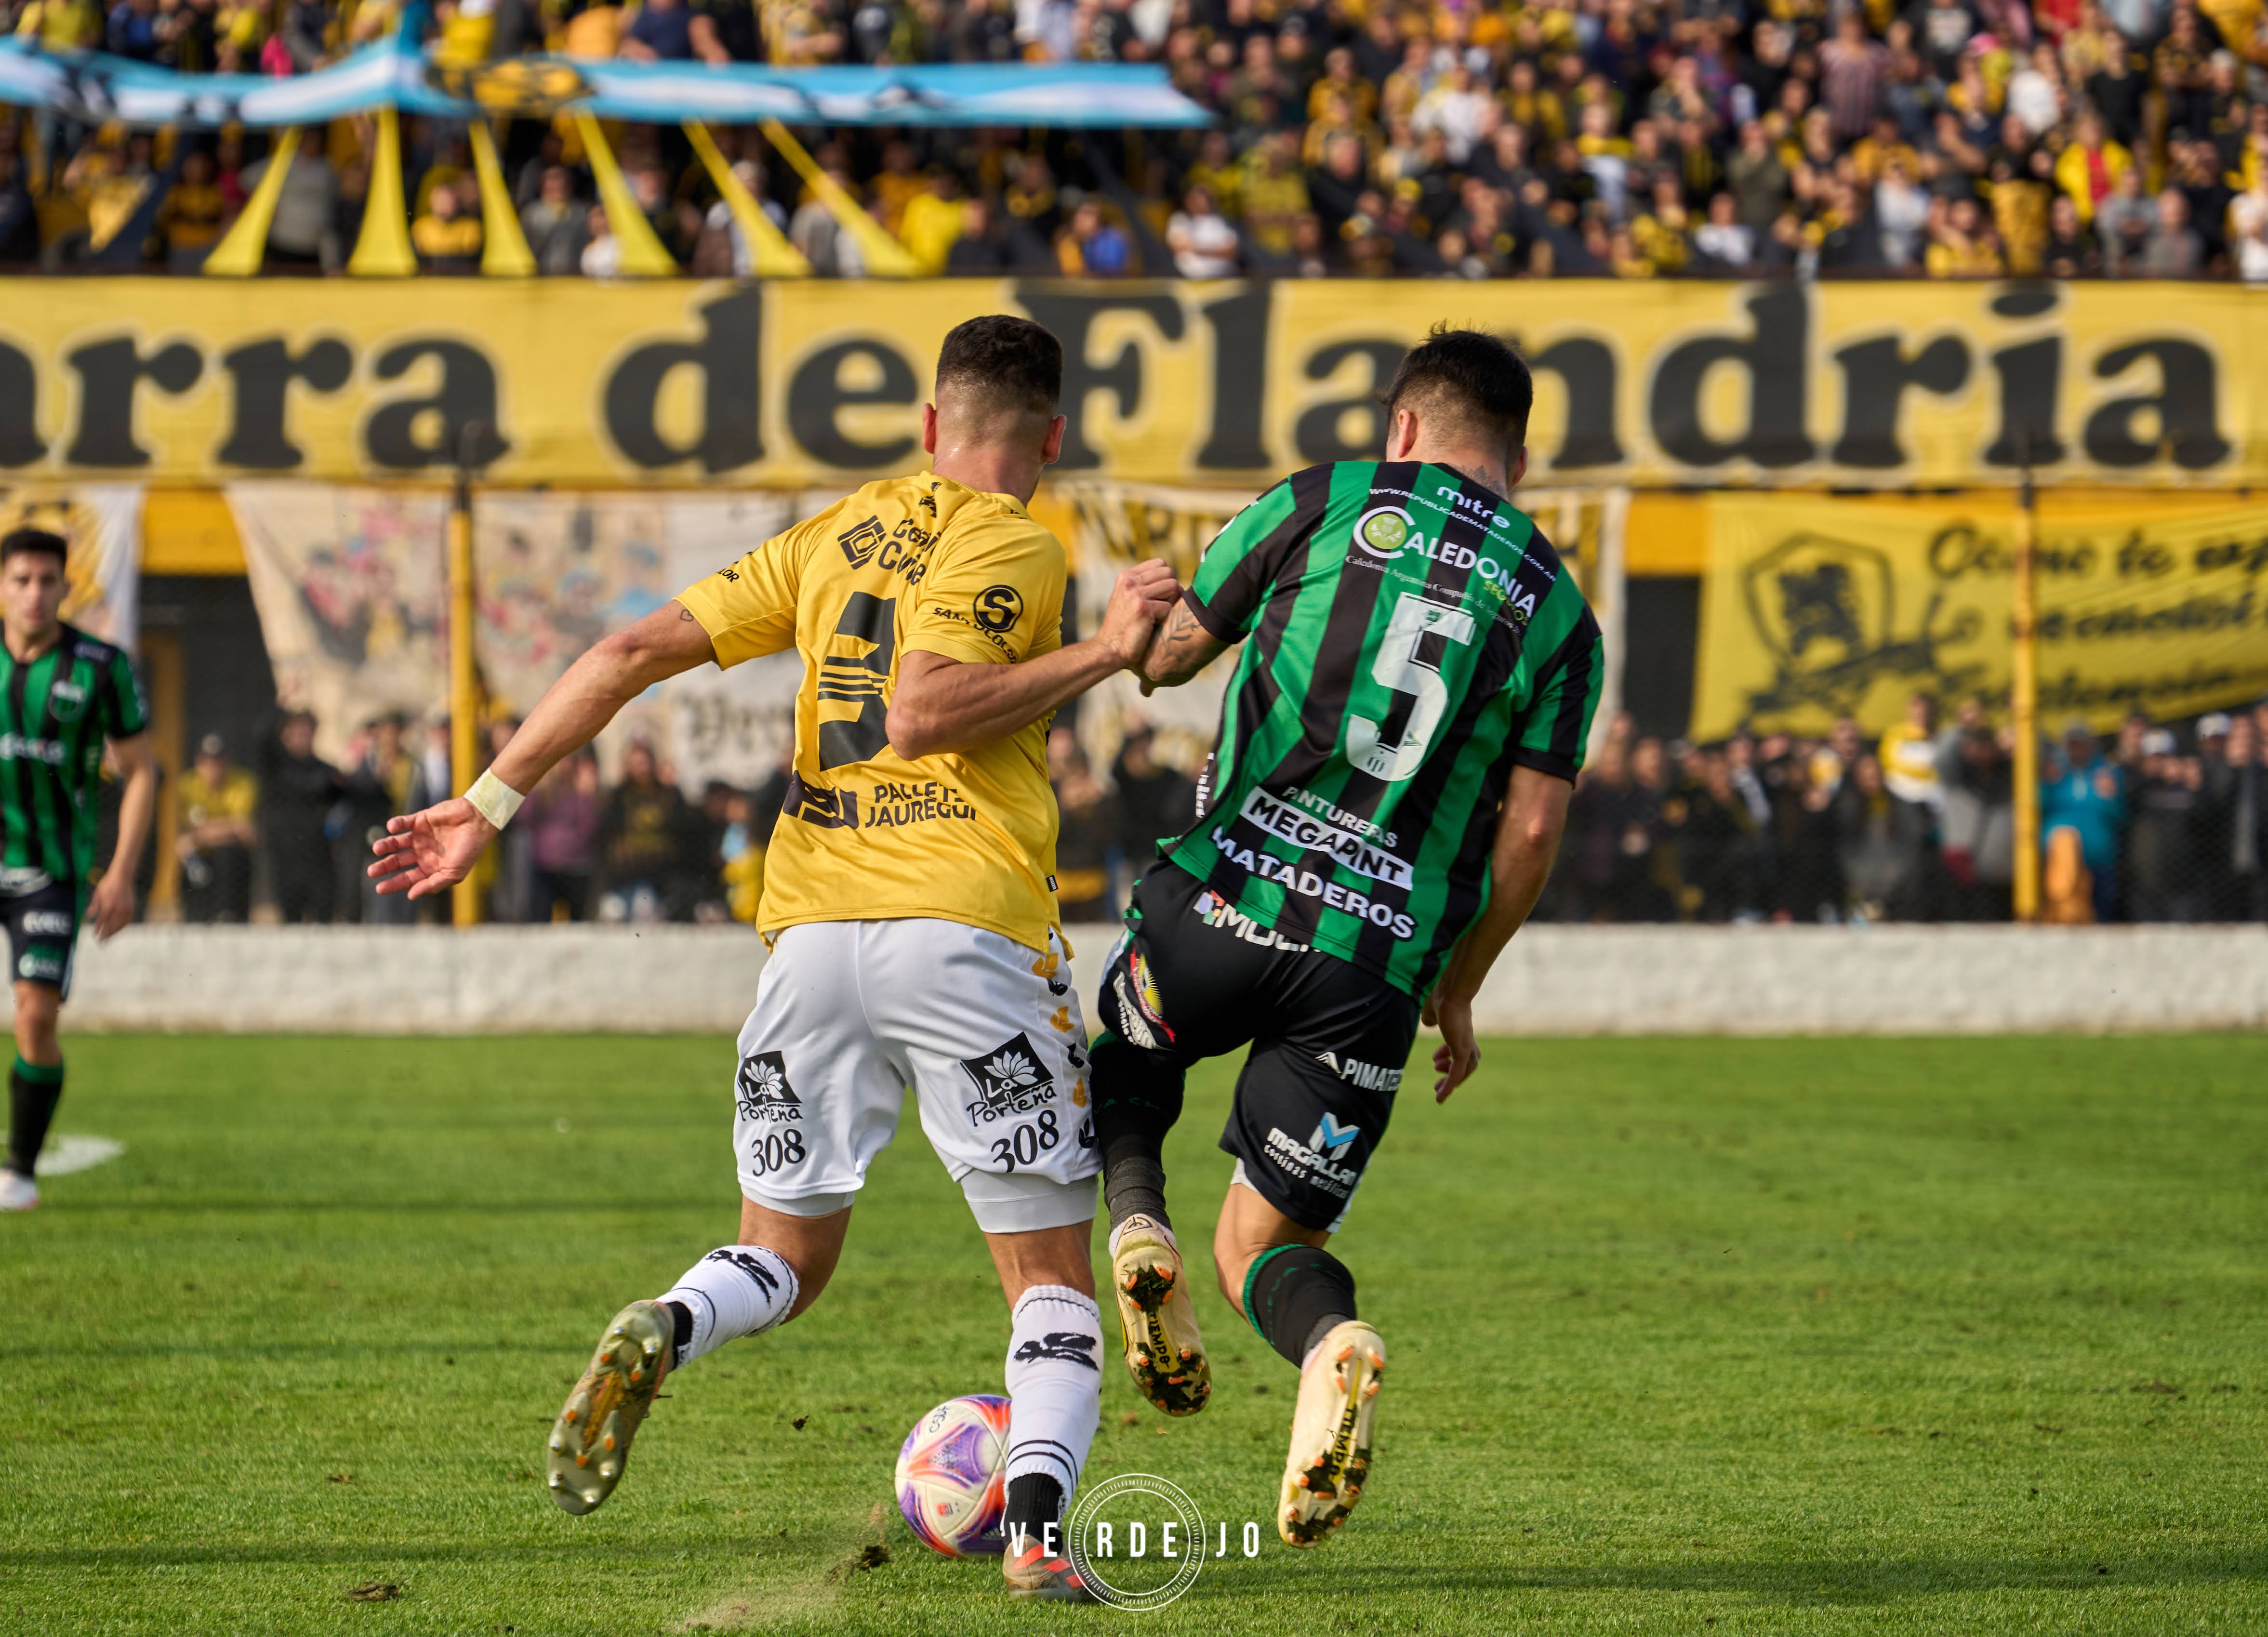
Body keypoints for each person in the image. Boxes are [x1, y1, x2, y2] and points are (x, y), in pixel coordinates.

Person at [368, 316, 1179, 1602]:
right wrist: (1104, 652)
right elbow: (923, 707)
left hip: (808, 939)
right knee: (1049, 1277)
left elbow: (626, 651)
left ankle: (670, 1322)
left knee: (785, 1258)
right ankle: (1032, 1533)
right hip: (961, 929)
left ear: (927, 424)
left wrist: (488, 803)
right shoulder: (1018, 538)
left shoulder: (835, 533)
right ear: (1054, 437)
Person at [1085, 328, 1602, 1546]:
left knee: (1120, 1048)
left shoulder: (1320, 500)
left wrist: (1126, 634)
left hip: (1223, 901)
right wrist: (1459, 985)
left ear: (1404, 428)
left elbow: (1162, 662)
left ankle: (1132, 1216)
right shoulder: (1563, 617)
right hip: (1372, 968)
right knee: (1262, 1242)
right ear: (1517, 459)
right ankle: (1331, 1344)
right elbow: (1529, 837)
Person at [0, 529, 156, 1213]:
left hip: (50, 869)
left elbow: (143, 770)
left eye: (46, 580)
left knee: (35, 1015)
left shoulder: (99, 665)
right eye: (21, 580)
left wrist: (120, 873)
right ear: (3, 588)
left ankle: (21, 1171)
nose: (35, 593)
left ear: (66, 588)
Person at [258, 708, 341, 924]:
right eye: (296, 731)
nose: (302, 737)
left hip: (320, 858)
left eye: (306, 731)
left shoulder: (327, 772)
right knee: (290, 919)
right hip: (286, 857)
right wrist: (280, 706)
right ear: (285, 735)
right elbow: (262, 740)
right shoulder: (275, 769)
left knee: (324, 917)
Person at [176, 732, 257, 923]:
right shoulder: (188, 784)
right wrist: (229, 827)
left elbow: (246, 830)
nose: (213, 767)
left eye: (218, 761)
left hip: (231, 856)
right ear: (198, 762)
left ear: (228, 761)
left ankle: (228, 915)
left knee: (228, 855)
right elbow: (190, 829)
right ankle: (195, 917)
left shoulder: (244, 782)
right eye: (207, 761)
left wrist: (204, 832)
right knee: (189, 857)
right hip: (200, 855)